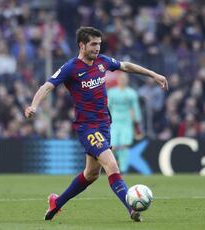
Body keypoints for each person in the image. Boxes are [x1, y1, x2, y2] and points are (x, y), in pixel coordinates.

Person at [24, 26, 168, 222]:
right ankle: (131, 208)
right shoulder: (70, 68)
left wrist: (153, 74)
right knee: (112, 164)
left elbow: (126, 66)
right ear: (82, 45)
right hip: (87, 127)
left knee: (91, 174)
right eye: (93, 44)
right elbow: (47, 86)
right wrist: (33, 105)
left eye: (99, 44)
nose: (98, 48)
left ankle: (56, 203)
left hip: (104, 125)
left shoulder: (103, 62)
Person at [108, 73, 143, 173]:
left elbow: (135, 109)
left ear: (127, 80)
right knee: (112, 146)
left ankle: (123, 169)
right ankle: (115, 166)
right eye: (121, 78)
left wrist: (137, 124)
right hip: (114, 122)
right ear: (118, 80)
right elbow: (107, 106)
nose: (123, 80)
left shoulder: (131, 93)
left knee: (124, 145)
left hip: (127, 122)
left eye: (125, 79)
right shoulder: (112, 92)